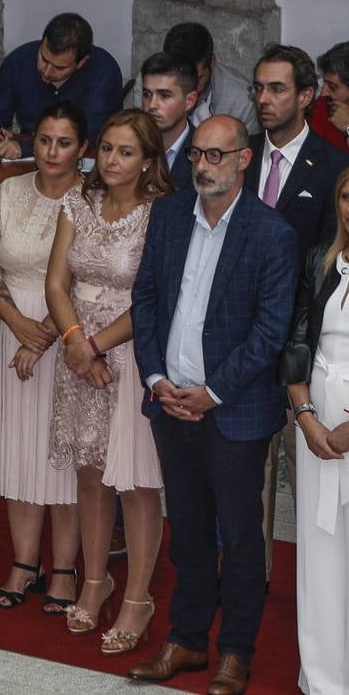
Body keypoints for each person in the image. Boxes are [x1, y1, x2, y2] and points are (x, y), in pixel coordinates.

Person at [129, 115, 299, 693]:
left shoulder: (271, 235)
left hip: (233, 413)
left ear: (244, 160)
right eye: (198, 154)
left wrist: (212, 392)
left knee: (242, 538)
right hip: (170, 402)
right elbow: (146, 297)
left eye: (217, 156)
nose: (204, 166)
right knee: (191, 532)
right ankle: (187, 639)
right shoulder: (171, 215)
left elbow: (270, 332)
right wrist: (155, 377)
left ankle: (236, 650)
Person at [45, 109, 170, 653]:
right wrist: (75, 342)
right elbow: (56, 281)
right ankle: (96, 581)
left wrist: (93, 347)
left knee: (136, 482)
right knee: (90, 471)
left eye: (126, 152)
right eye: (109, 150)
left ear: (147, 162)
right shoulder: (78, 202)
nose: (113, 161)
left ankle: (139, 597)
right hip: (78, 350)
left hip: (132, 354)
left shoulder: (160, 215)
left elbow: (153, 299)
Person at [0, 101, 88, 612]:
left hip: (68, 337)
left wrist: (42, 336)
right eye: (43, 140)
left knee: (60, 457)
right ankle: (24, 563)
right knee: (19, 449)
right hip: (6, 331)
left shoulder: (91, 202)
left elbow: (89, 280)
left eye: (64, 143)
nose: (52, 152)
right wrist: (18, 326)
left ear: (83, 149)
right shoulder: (8, 190)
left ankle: (63, 569)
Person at [245, 43, 349, 580]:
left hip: (299, 357)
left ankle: (321, 596)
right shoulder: (237, 156)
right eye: (258, 88)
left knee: (308, 486)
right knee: (244, 486)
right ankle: (247, 587)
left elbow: (330, 275)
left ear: (306, 96)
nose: (264, 99)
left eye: (277, 88)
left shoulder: (336, 169)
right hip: (239, 351)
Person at [281, 166, 349, 694]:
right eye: (346, 196)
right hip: (316, 417)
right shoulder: (321, 261)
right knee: (319, 549)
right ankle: (324, 678)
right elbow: (298, 340)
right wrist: (306, 418)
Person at [0, 13, 123, 158]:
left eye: (59, 68)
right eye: (44, 59)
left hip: (84, 164)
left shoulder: (103, 72)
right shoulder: (18, 62)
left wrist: (26, 148)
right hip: (25, 163)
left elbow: (86, 136)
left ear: (81, 63)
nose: (46, 72)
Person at [124, 21, 258, 133]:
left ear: (212, 63)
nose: (187, 88)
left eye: (197, 79)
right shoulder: (149, 81)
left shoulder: (241, 100)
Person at [137, 51, 200, 192]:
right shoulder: (129, 142)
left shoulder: (203, 154)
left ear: (190, 101)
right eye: (146, 94)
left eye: (164, 96)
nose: (151, 105)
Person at [310, 41, 349, 153]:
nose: (323, 92)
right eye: (325, 83)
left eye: (332, 87)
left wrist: (347, 127)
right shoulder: (323, 105)